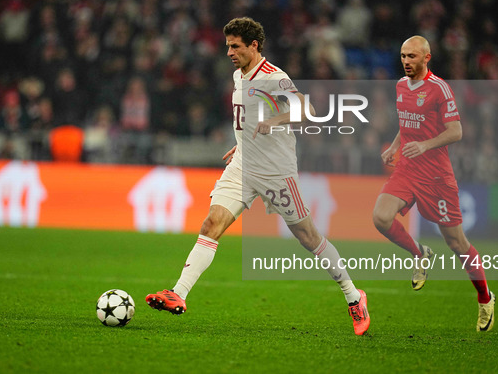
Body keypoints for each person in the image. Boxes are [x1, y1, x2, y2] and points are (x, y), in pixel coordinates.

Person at [146, 17, 370, 335]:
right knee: (211, 223)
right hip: (242, 166)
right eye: (227, 46)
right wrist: (239, 144)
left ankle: (353, 296)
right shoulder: (240, 76)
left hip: (275, 172)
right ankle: (177, 293)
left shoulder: (273, 77)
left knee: (308, 237)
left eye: (235, 46)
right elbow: (247, 120)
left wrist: (275, 120)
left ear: (254, 46)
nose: (229, 52)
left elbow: (304, 109)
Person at [372, 36, 495, 332]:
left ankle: (485, 297)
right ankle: (420, 253)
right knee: (380, 217)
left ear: (427, 57)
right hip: (407, 169)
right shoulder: (401, 86)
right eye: (402, 55)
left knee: (457, 243)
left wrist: (425, 145)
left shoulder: (440, 89)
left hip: (437, 177)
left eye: (412, 56)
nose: (406, 61)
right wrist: (394, 146)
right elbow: (407, 123)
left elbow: (456, 131)